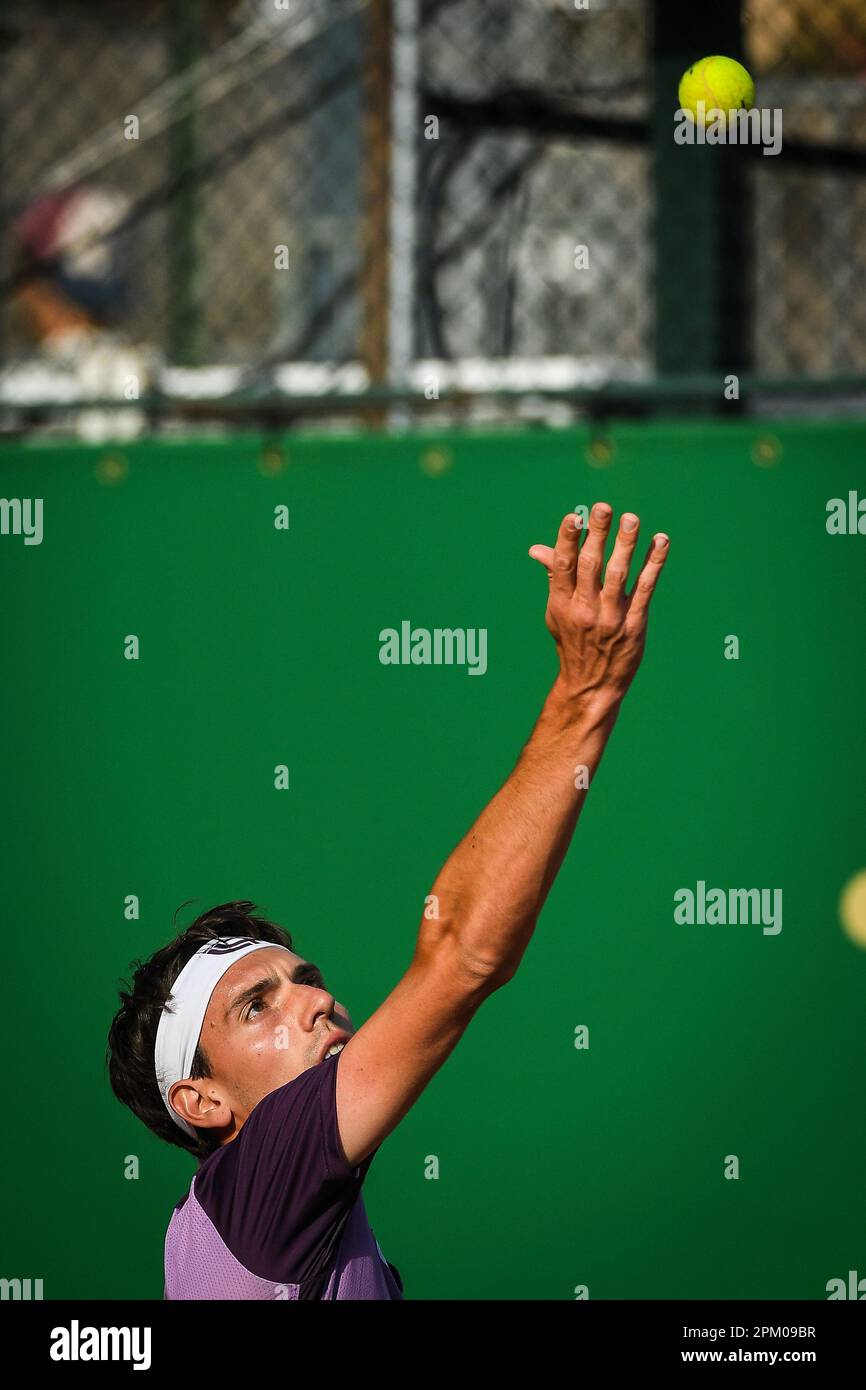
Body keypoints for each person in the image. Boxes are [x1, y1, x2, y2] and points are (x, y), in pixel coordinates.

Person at [106, 502, 670, 1300]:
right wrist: (589, 688)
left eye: (305, 979)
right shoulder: (259, 1180)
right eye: (255, 1008)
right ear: (201, 1102)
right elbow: (464, 956)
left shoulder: (256, 1234)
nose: (317, 1001)